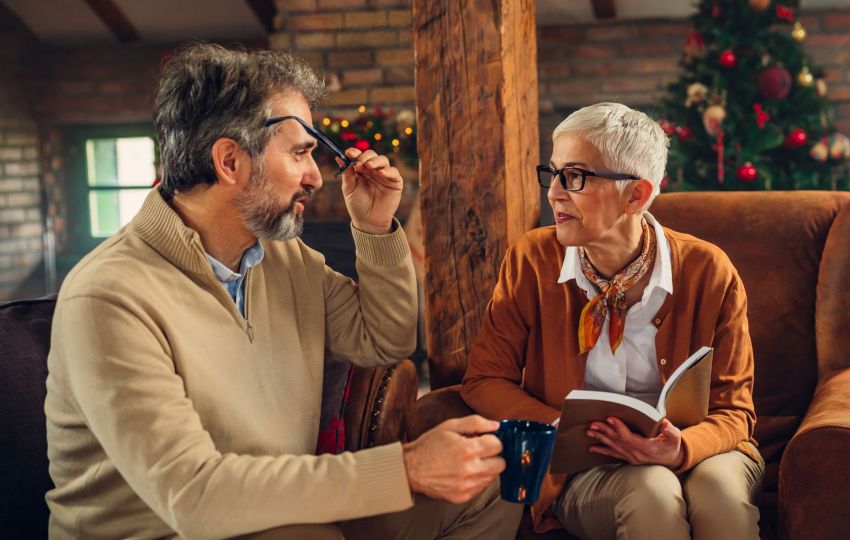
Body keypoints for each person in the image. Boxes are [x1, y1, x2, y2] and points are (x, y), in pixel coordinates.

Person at [45, 43, 521, 539]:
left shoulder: (280, 258)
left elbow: (384, 341)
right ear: (230, 161)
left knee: (490, 485)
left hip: (282, 505)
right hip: (174, 526)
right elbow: (193, 497)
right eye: (300, 153)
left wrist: (376, 228)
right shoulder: (109, 296)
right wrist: (404, 469)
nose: (317, 177)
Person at [461, 102, 763, 539]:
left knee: (719, 496)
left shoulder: (708, 270)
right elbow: (483, 379)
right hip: (584, 467)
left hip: (703, 450)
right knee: (652, 491)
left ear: (636, 195)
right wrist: (563, 428)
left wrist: (681, 450)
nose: (555, 193)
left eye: (577, 177)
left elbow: (735, 411)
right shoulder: (531, 260)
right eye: (555, 173)